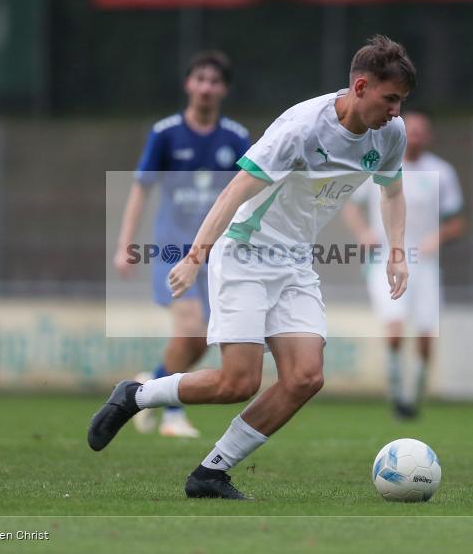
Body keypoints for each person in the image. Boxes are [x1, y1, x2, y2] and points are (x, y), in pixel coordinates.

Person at [89, 35, 415, 500]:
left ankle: (211, 472)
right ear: (361, 86)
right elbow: (236, 190)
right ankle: (136, 396)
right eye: (391, 99)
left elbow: (392, 190)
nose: (397, 111)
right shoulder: (302, 128)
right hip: (245, 253)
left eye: (401, 101)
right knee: (236, 383)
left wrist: (397, 252)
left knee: (305, 377)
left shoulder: (390, 134)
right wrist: (196, 255)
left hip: (297, 261)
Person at [112, 51, 249, 438]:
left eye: (214, 81)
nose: (206, 87)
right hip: (172, 248)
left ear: (224, 89)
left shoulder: (236, 138)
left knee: (205, 335)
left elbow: (250, 192)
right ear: (188, 84)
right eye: (199, 79)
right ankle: (172, 415)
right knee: (190, 325)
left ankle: (147, 385)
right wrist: (125, 244)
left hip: (217, 252)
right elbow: (141, 190)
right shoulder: (166, 133)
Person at [342, 112, 464, 420]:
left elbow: (457, 222)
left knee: (425, 338)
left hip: (424, 264)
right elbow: (352, 208)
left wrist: (438, 237)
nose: (417, 136)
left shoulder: (442, 172)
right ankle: (397, 397)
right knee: (395, 330)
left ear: (430, 136)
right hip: (386, 259)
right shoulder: (379, 164)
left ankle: (414, 398)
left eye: (423, 131)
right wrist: (363, 234)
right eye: (413, 131)